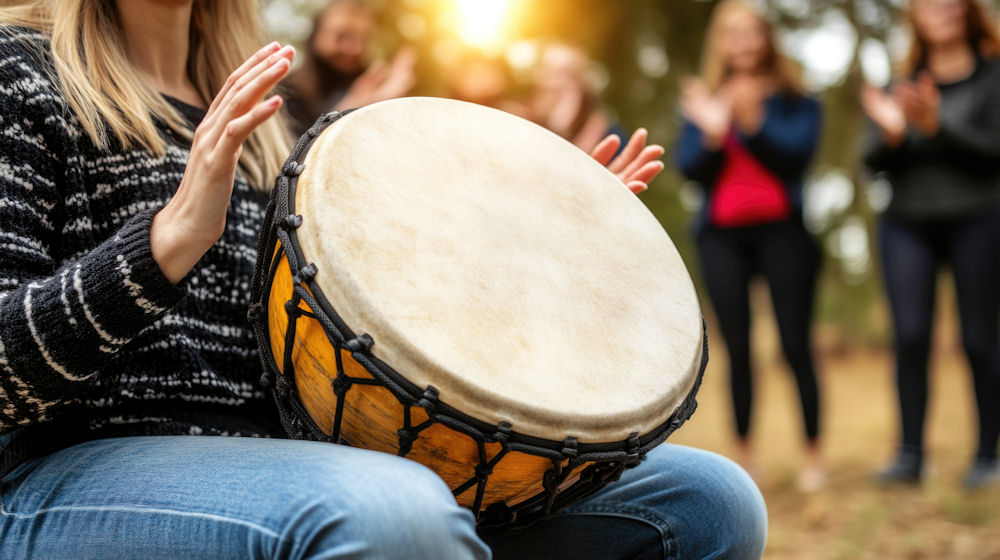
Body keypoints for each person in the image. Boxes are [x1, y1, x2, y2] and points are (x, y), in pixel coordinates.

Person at [0, 1, 767, 558]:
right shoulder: (21, 75)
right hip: (74, 471)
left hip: (291, 455)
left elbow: (339, 323)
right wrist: (166, 242)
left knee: (708, 502)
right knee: (398, 515)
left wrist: (537, 249)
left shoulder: (267, 118)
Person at [675, 0, 824, 492]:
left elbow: (797, 157)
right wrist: (714, 135)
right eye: (731, 33)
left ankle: (812, 455)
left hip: (783, 231)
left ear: (766, 38)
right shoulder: (704, 101)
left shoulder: (795, 98)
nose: (741, 42)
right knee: (737, 348)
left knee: (795, 344)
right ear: (719, 42)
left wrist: (754, 124)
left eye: (751, 31)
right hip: (722, 237)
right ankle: (746, 457)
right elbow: (690, 169)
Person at [861, 0, 1000, 489]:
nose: (940, 7)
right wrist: (894, 134)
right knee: (911, 336)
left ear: (968, 9)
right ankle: (910, 456)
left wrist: (938, 126)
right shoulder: (898, 84)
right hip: (907, 220)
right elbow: (871, 160)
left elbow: (993, 151)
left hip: (979, 214)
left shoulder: (992, 76)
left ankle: (987, 456)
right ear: (915, 15)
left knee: (980, 339)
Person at [284, 0, 415, 136]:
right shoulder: (288, 91)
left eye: (363, 39)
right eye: (342, 37)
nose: (356, 49)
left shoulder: (371, 83)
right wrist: (350, 110)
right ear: (316, 34)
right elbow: (294, 146)